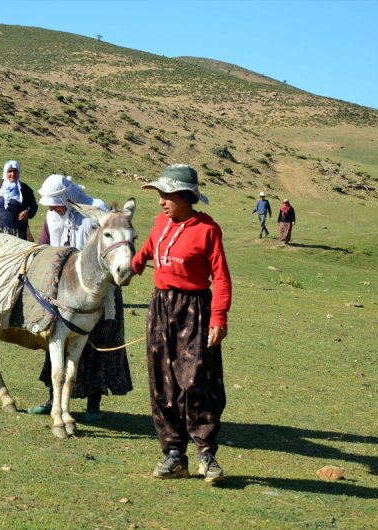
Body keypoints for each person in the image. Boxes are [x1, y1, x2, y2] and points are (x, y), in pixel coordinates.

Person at [131, 164, 232, 485]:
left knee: (196, 381)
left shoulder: (207, 230)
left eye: (167, 195)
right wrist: (137, 261)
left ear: (185, 196)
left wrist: (219, 317)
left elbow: (222, 278)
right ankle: (174, 454)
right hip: (161, 306)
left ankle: (206, 454)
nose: (161, 201)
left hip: (194, 310)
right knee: (162, 382)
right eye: (160, 194)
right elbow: (151, 245)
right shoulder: (162, 221)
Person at [27, 174, 133, 421]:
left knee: (99, 342)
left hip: (99, 290)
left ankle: (93, 405)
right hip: (64, 290)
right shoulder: (52, 218)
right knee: (56, 341)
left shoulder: (96, 214)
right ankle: (54, 399)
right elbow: (45, 247)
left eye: (55, 202)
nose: (51, 207)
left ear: (67, 198)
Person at [0, 160, 38, 240]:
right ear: (5, 172)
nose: (12, 174)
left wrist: (28, 212)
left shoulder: (25, 189)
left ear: (18, 172)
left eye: (15, 171)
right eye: (10, 171)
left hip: (18, 232)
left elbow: (34, 206)